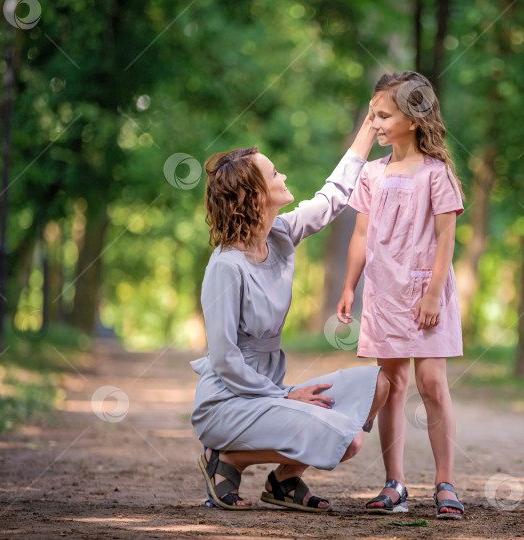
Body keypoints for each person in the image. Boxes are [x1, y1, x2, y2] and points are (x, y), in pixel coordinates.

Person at [192, 106, 389, 513]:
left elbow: (333, 198)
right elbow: (225, 360)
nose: (282, 176)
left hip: (272, 396)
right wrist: (287, 394)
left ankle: (283, 481)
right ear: (255, 196)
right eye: (273, 173)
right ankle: (225, 459)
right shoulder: (226, 266)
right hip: (227, 403)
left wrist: (370, 127)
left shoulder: (279, 234)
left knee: (378, 385)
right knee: (347, 440)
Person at [337, 71, 466, 519]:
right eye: (371, 114)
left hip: (424, 294)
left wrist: (433, 295)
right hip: (384, 295)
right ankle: (394, 483)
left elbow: (447, 238)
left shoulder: (437, 173)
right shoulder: (372, 173)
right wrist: (350, 286)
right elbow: (360, 235)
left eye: (383, 115)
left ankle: (445, 482)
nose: (374, 123)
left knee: (432, 384)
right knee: (390, 386)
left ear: (413, 119)